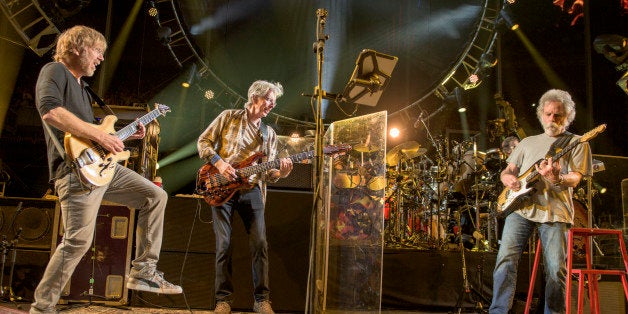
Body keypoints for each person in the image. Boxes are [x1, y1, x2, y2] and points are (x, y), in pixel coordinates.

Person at [32, 25, 182, 313]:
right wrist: (101, 135)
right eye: (97, 51)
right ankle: (42, 308)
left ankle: (143, 271)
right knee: (78, 242)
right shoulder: (55, 71)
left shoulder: (84, 88)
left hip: (101, 168)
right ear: (76, 47)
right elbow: (50, 111)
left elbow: (92, 135)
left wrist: (119, 136)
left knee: (155, 196)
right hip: (74, 171)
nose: (101, 58)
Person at [489, 89, 592, 313]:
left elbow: (576, 178)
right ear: (541, 114)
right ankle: (498, 311)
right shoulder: (527, 142)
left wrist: (558, 177)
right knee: (505, 260)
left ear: (568, 116)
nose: (552, 119)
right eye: (548, 114)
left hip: (555, 212)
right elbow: (508, 170)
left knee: (556, 270)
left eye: (558, 115)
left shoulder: (577, 142)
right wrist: (507, 179)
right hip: (521, 208)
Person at [197, 80, 293, 314]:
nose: (272, 105)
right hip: (220, 189)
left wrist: (281, 172)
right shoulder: (228, 117)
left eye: (274, 101)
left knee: (260, 244)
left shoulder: (268, 133)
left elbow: (268, 171)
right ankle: (223, 301)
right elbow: (203, 142)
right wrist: (219, 164)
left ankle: (262, 300)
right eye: (269, 99)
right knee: (224, 244)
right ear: (255, 98)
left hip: (251, 191)